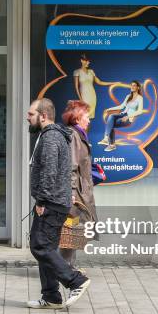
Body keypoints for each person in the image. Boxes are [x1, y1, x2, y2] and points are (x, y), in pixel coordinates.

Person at [26, 98, 91, 309]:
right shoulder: (51, 136)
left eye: (31, 114)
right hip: (56, 200)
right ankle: (51, 297)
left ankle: (75, 281)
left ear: (43, 116)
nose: (27, 117)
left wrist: (42, 200)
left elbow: (50, 171)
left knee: (39, 245)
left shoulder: (51, 138)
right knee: (48, 248)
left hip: (51, 203)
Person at [60, 100, 98, 268]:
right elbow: (71, 166)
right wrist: (72, 192)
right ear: (77, 117)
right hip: (76, 193)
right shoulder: (74, 135)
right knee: (71, 229)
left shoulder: (79, 134)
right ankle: (66, 269)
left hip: (81, 189)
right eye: (86, 116)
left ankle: (68, 267)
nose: (89, 120)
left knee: (75, 229)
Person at [98, 80, 144, 151]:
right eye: (131, 85)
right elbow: (121, 106)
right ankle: (107, 139)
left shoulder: (140, 98)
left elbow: (140, 111)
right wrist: (109, 109)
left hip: (128, 118)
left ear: (138, 87)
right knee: (111, 117)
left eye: (134, 85)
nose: (132, 87)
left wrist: (128, 117)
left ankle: (111, 144)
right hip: (122, 114)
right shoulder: (128, 96)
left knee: (111, 124)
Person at [73, 54, 114, 120]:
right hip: (84, 97)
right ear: (81, 61)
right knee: (83, 118)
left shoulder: (91, 71)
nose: (88, 62)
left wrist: (114, 82)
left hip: (92, 96)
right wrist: (80, 99)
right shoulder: (77, 72)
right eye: (86, 61)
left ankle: (87, 131)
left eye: (89, 61)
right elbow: (76, 87)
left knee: (89, 119)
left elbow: (99, 82)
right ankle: (79, 130)